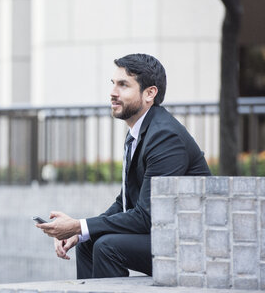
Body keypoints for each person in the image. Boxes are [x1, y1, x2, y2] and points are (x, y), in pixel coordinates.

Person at [36, 53, 211, 279]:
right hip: (163, 236)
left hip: (190, 244)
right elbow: (125, 202)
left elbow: (147, 217)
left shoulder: (165, 136)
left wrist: (79, 226)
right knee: (88, 244)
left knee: (108, 246)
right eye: (113, 84)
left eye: (123, 85)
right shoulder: (139, 133)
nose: (113, 92)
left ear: (150, 93)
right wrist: (81, 233)